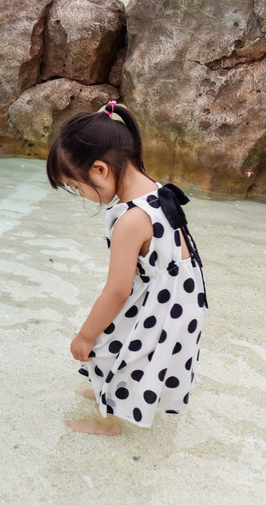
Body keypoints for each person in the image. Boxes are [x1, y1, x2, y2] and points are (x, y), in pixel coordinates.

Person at [46, 101, 208, 436]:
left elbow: (117, 290)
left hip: (166, 303)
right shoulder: (156, 190)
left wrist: (85, 335)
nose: (82, 195)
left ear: (100, 169)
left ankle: (110, 422)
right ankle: (109, 393)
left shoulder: (131, 220)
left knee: (128, 351)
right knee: (119, 340)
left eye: (77, 186)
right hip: (179, 293)